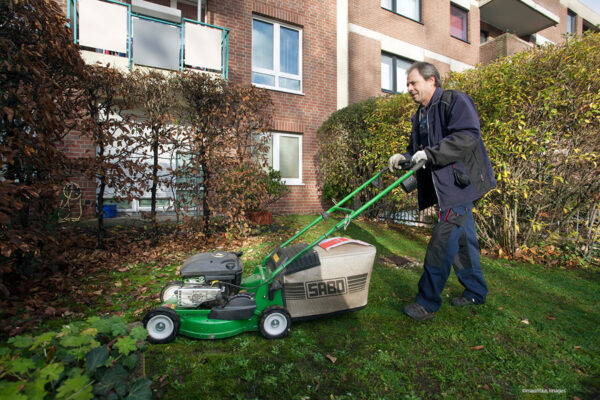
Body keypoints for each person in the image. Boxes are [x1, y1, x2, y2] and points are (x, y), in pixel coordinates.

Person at [388, 62, 496, 321]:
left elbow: (468, 135)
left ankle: (426, 303)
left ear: (432, 80)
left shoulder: (454, 100)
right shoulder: (420, 115)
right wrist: (402, 157)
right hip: (445, 190)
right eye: (408, 84)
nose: (409, 88)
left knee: (441, 243)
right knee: (463, 242)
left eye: (413, 83)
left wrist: (430, 153)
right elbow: (418, 150)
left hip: (460, 186)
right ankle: (476, 291)